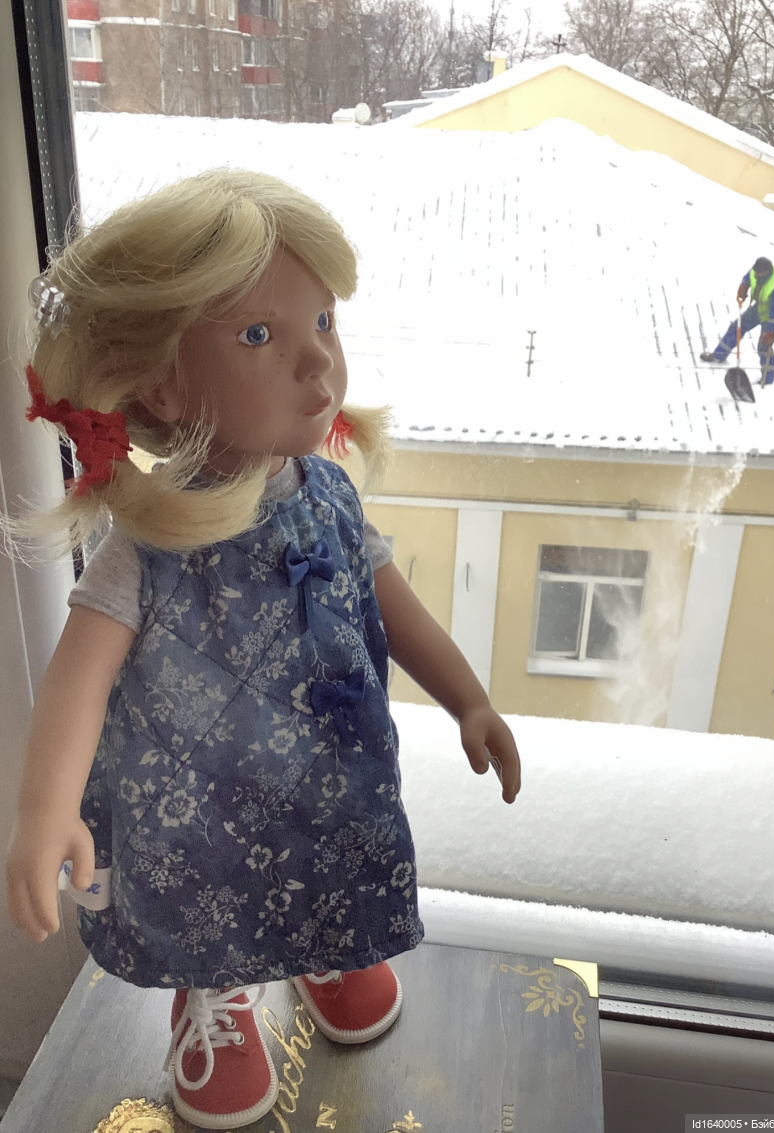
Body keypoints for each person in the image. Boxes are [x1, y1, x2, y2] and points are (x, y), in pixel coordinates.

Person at [5, 170, 521, 1130]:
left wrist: (469, 699)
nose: (318, 362)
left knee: (333, 852)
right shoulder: (149, 541)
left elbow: (392, 600)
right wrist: (45, 813)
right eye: (258, 336)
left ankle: (325, 947)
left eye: (323, 321)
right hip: (199, 792)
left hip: (327, 767)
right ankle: (218, 988)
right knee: (208, 886)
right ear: (164, 380)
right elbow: (80, 671)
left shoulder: (329, 495)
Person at [700, 256, 774, 384]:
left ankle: (768, 378)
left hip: (772, 316)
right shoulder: (755, 271)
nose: (756, 275)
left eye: (759, 273)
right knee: (736, 327)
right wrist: (743, 287)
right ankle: (718, 355)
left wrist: (770, 333)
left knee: (764, 346)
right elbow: (748, 277)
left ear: (766, 272)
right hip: (759, 308)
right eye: (755, 272)